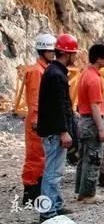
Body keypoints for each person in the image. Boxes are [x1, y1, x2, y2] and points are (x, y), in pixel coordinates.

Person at [37, 33, 79, 222]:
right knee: (52, 173)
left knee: (55, 171)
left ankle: (56, 205)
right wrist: (64, 132)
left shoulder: (54, 71)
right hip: (55, 132)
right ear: (67, 53)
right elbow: (57, 107)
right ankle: (47, 212)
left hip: (53, 130)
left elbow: (60, 104)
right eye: (74, 53)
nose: (76, 56)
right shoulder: (56, 74)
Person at [22, 33, 56, 205]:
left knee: (41, 155)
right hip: (36, 120)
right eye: (51, 51)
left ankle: (36, 189)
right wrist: (36, 119)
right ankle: (31, 191)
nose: (54, 54)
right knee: (35, 156)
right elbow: (35, 98)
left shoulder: (43, 70)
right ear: (43, 51)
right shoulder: (37, 72)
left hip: (41, 119)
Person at [75, 44, 104, 204]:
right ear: (99, 59)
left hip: (83, 121)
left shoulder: (84, 74)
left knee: (83, 158)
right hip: (91, 122)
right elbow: (95, 106)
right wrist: (101, 129)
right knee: (94, 158)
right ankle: (89, 194)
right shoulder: (94, 79)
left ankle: (80, 192)